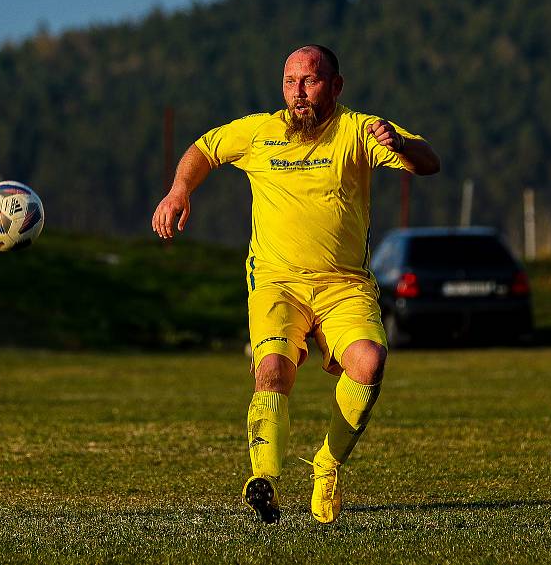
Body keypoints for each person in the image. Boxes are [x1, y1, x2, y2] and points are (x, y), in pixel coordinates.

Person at [151, 44, 440, 524]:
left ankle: (326, 465)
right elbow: (203, 149)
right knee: (272, 370)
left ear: (336, 85)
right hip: (276, 282)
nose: (298, 92)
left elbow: (429, 162)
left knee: (370, 364)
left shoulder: (359, 131)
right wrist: (179, 190)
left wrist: (401, 145)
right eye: (290, 81)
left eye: (309, 80)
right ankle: (262, 478)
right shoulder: (259, 132)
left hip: (344, 284)